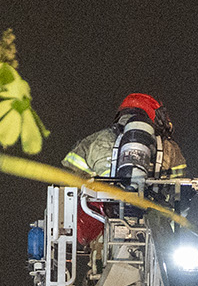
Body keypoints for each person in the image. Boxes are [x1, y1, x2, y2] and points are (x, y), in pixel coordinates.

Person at [64, 94, 185, 246]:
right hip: (156, 231)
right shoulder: (170, 149)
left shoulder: (94, 141)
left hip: (100, 227)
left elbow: (67, 180)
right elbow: (181, 193)